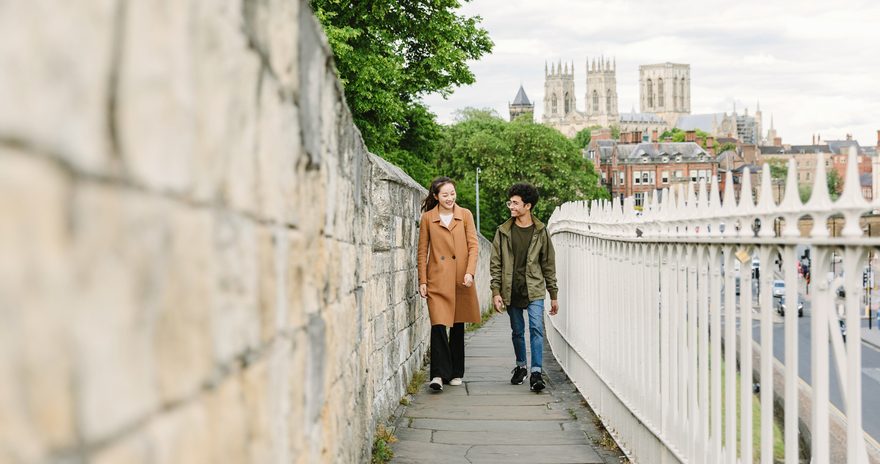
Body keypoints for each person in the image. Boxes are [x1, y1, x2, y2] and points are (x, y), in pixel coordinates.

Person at [490, 183, 558, 392]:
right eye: (510, 202)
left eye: (515, 203)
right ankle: (521, 366)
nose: (511, 206)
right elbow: (496, 263)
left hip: (534, 289)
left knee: (536, 329)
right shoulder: (503, 232)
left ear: (527, 206)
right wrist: (496, 292)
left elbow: (548, 263)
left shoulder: (541, 231)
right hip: (511, 289)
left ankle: (536, 372)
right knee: (517, 331)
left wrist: (553, 294)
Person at [417, 177, 481, 392]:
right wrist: (422, 281)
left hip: (460, 278)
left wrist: (470, 272)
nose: (450, 198)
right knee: (438, 325)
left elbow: (473, 246)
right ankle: (437, 375)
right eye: (445, 194)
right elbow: (422, 251)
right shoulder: (428, 218)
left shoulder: (465, 215)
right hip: (436, 279)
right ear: (436, 196)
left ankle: (455, 372)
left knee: (457, 326)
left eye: (452, 193)